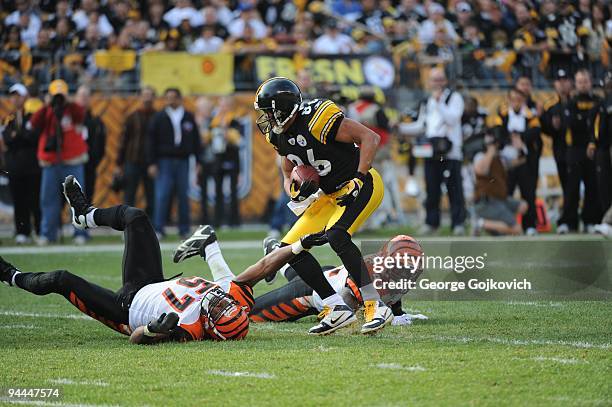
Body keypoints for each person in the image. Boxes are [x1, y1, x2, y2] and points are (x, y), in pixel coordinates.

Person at [0, 175, 331, 343]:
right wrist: (299, 244)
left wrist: (154, 330)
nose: (216, 302)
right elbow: (262, 267)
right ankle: (86, 215)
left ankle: (10, 275)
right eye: (223, 304)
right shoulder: (234, 301)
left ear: (212, 327)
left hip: (126, 309)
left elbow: (136, 338)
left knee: (61, 279)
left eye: (216, 311)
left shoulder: (188, 328)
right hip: (152, 282)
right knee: (136, 217)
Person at [254, 77, 392, 335]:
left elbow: (370, 138)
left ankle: (375, 304)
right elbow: (287, 173)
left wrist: (359, 179)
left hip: (362, 182)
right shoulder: (278, 136)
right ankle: (335, 306)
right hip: (327, 195)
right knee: (288, 250)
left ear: (286, 109)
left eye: (271, 113)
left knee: (337, 235)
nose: (268, 121)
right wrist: (295, 191)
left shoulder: (317, 119)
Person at [248, 235, 426, 326]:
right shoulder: (372, 273)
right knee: (248, 314)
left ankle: (275, 251)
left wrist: (397, 313)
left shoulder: (391, 273)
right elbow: (346, 306)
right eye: (403, 267)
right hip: (311, 292)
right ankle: (275, 256)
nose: (407, 273)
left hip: (328, 275)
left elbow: (392, 296)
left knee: (298, 274)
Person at [399, 68, 466, 235]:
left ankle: (458, 223)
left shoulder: (454, 98)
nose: (437, 83)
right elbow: (422, 126)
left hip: (451, 152)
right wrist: (401, 128)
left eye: (440, 79)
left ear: (445, 81)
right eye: (434, 80)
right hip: (432, 151)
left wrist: (439, 102)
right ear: (429, 83)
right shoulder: (427, 101)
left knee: (454, 189)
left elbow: (453, 118)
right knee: (432, 189)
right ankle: (432, 223)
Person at [30, 79, 89, 245]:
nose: (59, 99)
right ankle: (48, 234)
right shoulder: (47, 110)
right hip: (51, 161)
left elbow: (80, 115)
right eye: (56, 95)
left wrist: (69, 102)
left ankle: (80, 234)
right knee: (48, 200)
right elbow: (35, 123)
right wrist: (47, 105)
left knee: (77, 199)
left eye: (61, 95)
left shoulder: (72, 108)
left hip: (73, 160)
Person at [146, 88, 201, 238]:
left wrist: (198, 160)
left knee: (183, 195)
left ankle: (184, 229)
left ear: (179, 99)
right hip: (164, 161)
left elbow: (196, 140)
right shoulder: (159, 117)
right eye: (168, 97)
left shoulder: (188, 116)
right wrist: (151, 162)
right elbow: (151, 141)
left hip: (183, 161)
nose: (170, 100)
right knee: (162, 194)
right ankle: (158, 228)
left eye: (173, 97)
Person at [491, 88, 542, 235]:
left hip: (524, 160)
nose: (516, 103)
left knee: (529, 193)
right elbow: (497, 130)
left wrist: (522, 138)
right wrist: (511, 139)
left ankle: (530, 225)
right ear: (508, 100)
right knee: (506, 192)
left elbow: (536, 131)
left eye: (519, 99)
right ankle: (505, 224)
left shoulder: (530, 115)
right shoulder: (503, 113)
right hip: (507, 163)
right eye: (513, 99)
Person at [1, 83, 41, 244]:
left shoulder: (33, 116)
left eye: (18, 95)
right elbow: (8, 139)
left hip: (32, 166)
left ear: (25, 97)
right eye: (13, 96)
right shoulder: (8, 118)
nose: (15, 99)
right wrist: (20, 136)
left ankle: (39, 230)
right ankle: (22, 231)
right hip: (15, 167)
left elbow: (32, 137)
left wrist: (17, 136)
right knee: (19, 201)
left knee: (35, 201)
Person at [564, 69, 603, 232]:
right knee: (572, 188)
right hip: (575, 150)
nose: (583, 84)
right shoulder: (571, 102)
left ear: (591, 81)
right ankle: (570, 222)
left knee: (592, 186)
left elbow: (597, 125)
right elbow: (573, 124)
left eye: (585, 81)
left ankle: (590, 220)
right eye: (580, 81)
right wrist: (586, 120)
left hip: (593, 149)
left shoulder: (598, 100)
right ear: (575, 83)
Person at [472, 133, 528, 236]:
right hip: (485, 202)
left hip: (500, 199)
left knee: (523, 206)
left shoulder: (500, 158)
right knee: (517, 230)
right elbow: (481, 170)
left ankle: (497, 226)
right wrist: (491, 149)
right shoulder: (480, 156)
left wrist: (520, 147)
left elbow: (521, 160)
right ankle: (480, 223)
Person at [540, 69, 573, 233]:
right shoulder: (550, 105)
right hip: (561, 151)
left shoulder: (577, 101)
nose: (562, 83)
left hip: (579, 150)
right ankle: (567, 220)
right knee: (567, 186)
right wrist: (552, 127)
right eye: (559, 80)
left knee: (583, 185)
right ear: (555, 84)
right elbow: (545, 128)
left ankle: (586, 218)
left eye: (565, 80)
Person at [116, 87, 157, 218]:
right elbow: (123, 141)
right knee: (129, 195)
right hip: (132, 161)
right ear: (140, 98)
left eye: (150, 96)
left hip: (151, 163)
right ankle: (129, 223)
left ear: (154, 98)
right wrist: (119, 164)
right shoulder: (132, 117)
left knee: (151, 195)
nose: (147, 99)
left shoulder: (158, 117)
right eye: (145, 95)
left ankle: (150, 226)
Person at [209, 96, 242, 227]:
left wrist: (226, 132)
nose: (223, 108)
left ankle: (234, 221)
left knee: (233, 191)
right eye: (221, 105)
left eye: (225, 105)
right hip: (218, 158)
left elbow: (239, 140)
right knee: (217, 191)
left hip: (231, 157)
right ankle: (217, 220)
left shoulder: (234, 120)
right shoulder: (214, 121)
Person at [75, 85, 106, 205]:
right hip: (70, 164)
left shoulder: (96, 121)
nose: (83, 99)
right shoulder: (70, 120)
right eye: (81, 96)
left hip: (89, 165)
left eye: (86, 96)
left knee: (87, 196)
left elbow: (101, 144)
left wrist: (94, 161)